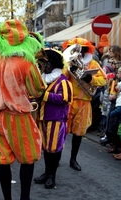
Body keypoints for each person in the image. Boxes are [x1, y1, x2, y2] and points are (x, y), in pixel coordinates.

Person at [0, 19, 46, 200]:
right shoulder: (26, 62)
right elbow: (37, 90)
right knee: (28, 157)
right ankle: (24, 198)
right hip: (18, 116)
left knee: (3, 160)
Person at [62, 37, 106, 171]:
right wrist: (69, 68)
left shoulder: (92, 63)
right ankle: (56, 156)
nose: (78, 53)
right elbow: (59, 77)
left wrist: (90, 78)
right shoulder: (65, 61)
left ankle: (73, 159)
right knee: (62, 131)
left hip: (84, 102)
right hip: (67, 101)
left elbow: (103, 79)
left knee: (79, 133)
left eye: (81, 50)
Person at [33, 48, 73, 189]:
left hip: (56, 120)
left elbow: (65, 98)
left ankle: (52, 176)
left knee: (54, 149)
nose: (44, 66)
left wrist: (44, 95)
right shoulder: (44, 80)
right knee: (46, 149)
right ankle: (46, 173)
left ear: (54, 64)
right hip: (44, 118)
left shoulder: (63, 81)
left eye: (46, 63)